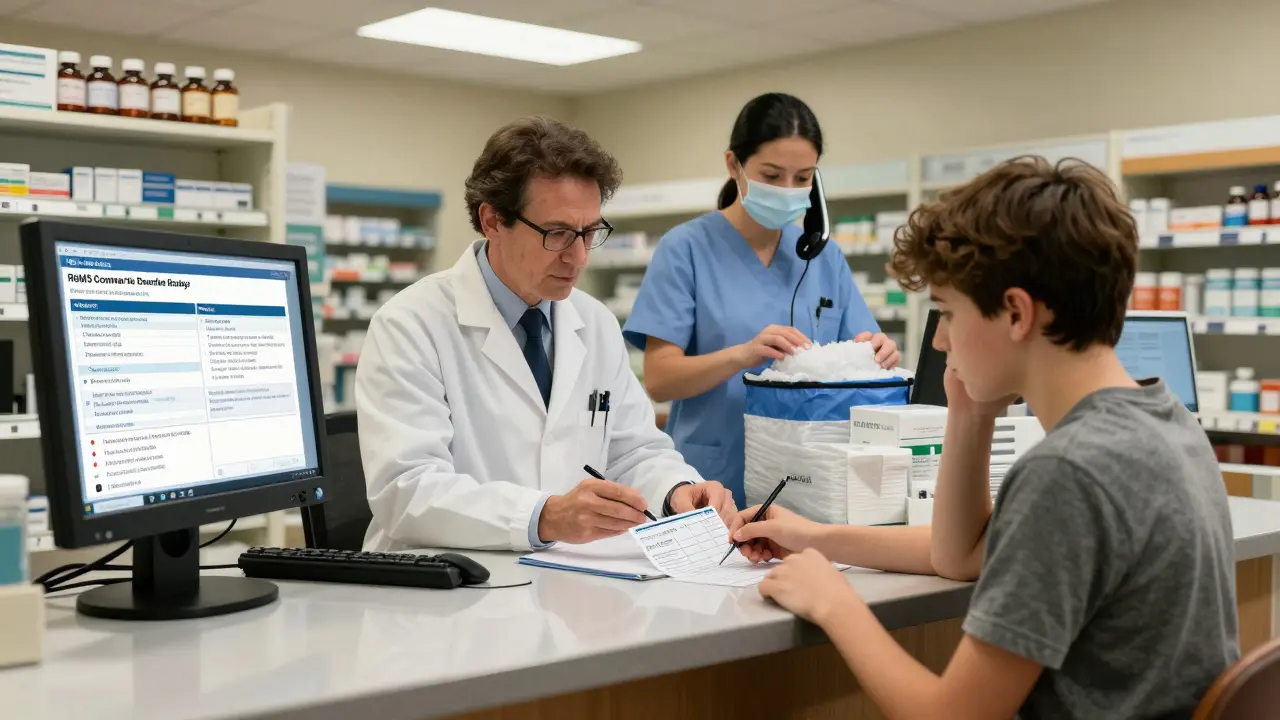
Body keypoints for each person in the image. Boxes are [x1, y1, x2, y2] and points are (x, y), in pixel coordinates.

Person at [730, 156, 1238, 719]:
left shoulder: (1068, 472)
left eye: (947, 313)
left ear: (1016, 314)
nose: (941, 341)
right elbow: (961, 555)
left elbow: (951, 716)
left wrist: (835, 604)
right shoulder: (1163, 421)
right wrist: (968, 416)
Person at [356, 116, 738, 553]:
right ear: (493, 221)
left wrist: (676, 490)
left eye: (589, 232)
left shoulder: (593, 322)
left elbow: (634, 451)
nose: (577, 257)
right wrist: (545, 516)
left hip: (562, 581)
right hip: (445, 585)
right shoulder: (410, 323)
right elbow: (406, 491)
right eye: (557, 234)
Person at [622, 93, 900, 508]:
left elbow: (862, 349)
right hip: (711, 481)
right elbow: (660, 379)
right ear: (734, 165)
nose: (789, 190)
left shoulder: (823, 256)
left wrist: (878, 352)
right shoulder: (685, 249)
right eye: (772, 175)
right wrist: (742, 355)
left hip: (811, 483)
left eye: (804, 178)